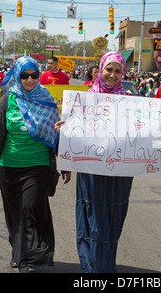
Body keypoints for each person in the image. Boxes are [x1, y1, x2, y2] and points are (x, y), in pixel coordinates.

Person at [0, 56, 71, 273]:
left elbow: (55, 133)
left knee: (30, 208)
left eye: (33, 75)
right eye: (24, 75)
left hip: (38, 165)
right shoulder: (7, 99)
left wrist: (66, 162)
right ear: (17, 75)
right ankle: (19, 253)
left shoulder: (47, 98)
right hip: (8, 165)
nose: (29, 80)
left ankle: (27, 261)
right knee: (14, 213)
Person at [55, 52, 133, 273]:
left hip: (119, 174)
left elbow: (138, 135)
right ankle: (92, 269)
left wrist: (157, 134)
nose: (112, 75)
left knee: (113, 222)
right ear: (100, 70)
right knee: (94, 222)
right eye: (109, 69)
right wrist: (64, 131)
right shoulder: (85, 100)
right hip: (91, 172)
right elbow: (74, 137)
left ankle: (105, 268)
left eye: (118, 71)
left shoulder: (129, 101)